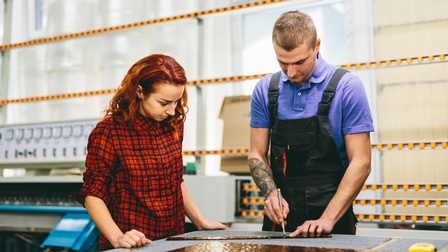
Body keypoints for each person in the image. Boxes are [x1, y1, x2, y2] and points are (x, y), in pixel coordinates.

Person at [70, 54, 229, 250]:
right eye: (164, 103)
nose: (172, 111)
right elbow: (93, 195)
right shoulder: (109, 132)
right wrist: (118, 238)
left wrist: (199, 220)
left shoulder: (173, 125)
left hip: (173, 241)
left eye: (176, 102)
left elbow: (175, 180)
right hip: (132, 244)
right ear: (139, 91)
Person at [248, 10, 374, 238]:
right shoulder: (265, 90)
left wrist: (328, 218)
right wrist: (270, 195)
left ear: (317, 45)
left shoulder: (347, 88)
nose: (291, 72)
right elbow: (256, 153)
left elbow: (362, 161)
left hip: (332, 217)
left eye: (299, 62)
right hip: (281, 221)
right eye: (282, 63)